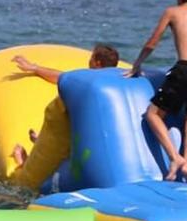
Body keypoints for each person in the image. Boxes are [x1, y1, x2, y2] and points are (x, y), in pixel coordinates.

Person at [126, 0, 187, 184]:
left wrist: (137, 64)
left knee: (153, 114)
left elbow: (153, 42)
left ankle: (175, 158)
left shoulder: (172, 11)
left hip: (186, 69)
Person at [9, 45, 119, 189]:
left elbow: (63, 78)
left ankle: (22, 161)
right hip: (81, 142)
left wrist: (33, 68)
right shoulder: (114, 82)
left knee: (25, 185)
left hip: (66, 143)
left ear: (97, 63)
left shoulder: (86, 84)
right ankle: (38, 143)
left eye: (91, 58)